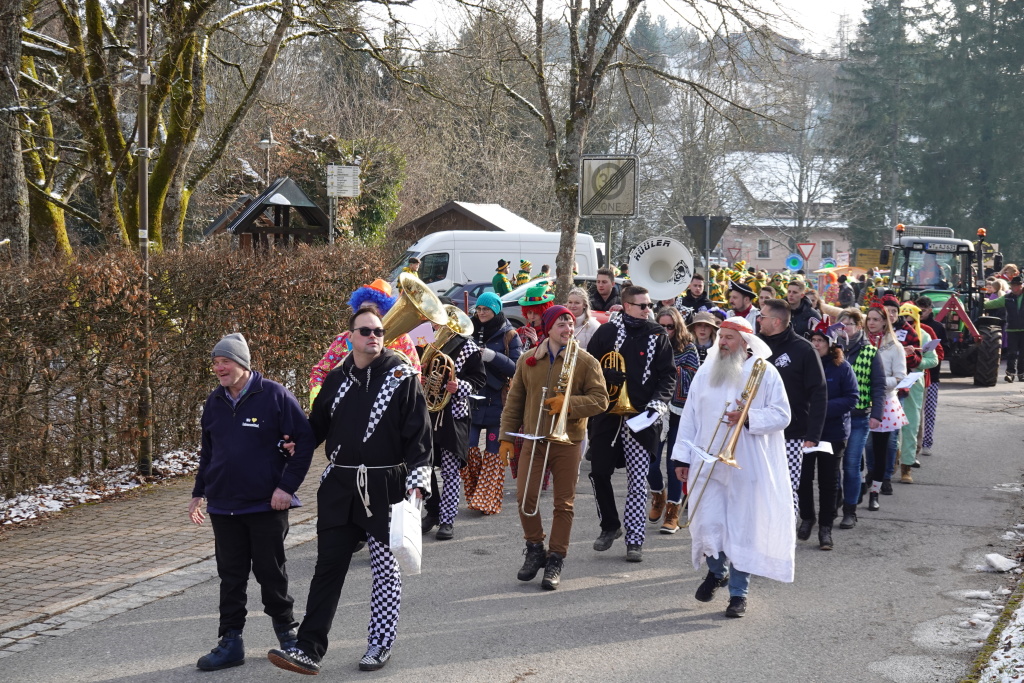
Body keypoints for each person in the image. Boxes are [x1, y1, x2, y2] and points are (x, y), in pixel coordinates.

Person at [268, 305, 432, 675]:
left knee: (386, 571)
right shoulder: (336, 379)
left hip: (387, 486)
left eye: (377, 331)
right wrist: (296, 443)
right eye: (365, 331)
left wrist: (417, 489)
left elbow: (420, 439)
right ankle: (309, 649)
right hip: (340, 486)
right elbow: (318, 425)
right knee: (328, 569)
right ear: (350, 337)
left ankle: (380, 643)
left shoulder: (403, 376)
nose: (373, 336)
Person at [191, 333, 315, 671]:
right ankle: (230, 642)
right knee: (230, 577)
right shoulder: (214, 402)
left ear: (242, 363)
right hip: (223, 507)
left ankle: (289, 636)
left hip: (265, 506)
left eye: (225, 361)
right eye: (216, 363)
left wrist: (286, 488)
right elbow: (209, 453)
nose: (219, 368)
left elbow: (304, 441)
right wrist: (198, 493)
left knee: (270, 573)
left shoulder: (274, 395)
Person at [671, 317, 794, 618]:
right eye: (721, 337)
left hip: (747, 464)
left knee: (742, 529)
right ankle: (717, 571)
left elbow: (782, 415)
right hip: (706, 459)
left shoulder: (766, 373)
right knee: (706, 522)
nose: (722, 342)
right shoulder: (706, 369)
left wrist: (748, 417)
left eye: (728, 337)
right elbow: (689, 416)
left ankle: (738, 594)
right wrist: (681, 457)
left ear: (745, 342)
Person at [498, 306, 609, 590]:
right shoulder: (527, 360)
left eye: (570, 324)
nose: (568, 329)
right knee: (525, 498)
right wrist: (505, 438)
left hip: (568, 440)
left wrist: (568, 405)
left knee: (564, 503)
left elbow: (601, 400)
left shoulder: (584, 360)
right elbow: (514, 401)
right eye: (561, 324)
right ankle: (535, 548)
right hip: (534, 439)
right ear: (548, 328)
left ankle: (557, 557)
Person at [586, 285, 675, 562]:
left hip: (641, 419)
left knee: (638, 481)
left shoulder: (657, 335)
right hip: (607, 415)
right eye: (643, 306)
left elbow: (668, 376)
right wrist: (603, 376)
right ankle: (610, 525)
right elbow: (589, 368)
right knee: (599, 472)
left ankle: (635, 539)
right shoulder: (606, 333)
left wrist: (657, 404)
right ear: (626, 306)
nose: (649, 309)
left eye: (650, 305)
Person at [421, 313, 487, 540]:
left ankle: (447, 519)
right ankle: (433, 511)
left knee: (450, 471)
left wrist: (460, 386)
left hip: (453, 416)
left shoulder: (469, 348)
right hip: (427, 414)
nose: (439, 324)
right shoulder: (426, 342)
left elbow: (479, 380)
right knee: (424, 467)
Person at [757, 298, 826, 513]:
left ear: (776, 321)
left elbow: (819, 393)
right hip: (756, 431)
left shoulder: (803, 349)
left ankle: (786, 541)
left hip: (792, 434)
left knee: (786, 489)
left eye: (762, 316)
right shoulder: (754, 346)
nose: (758, 319)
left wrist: (813, 435)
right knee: (757, 489)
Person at [459, 293, 522, 516]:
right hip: (473, 398)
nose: (481, 313)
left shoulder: (510, 334)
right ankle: (475, 495)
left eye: (486, 309)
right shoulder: (467, 330)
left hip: (498, 400)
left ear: (496, 310)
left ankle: (489, 501)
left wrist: (491, 356)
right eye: (479, 309)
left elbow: (516, 367)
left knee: (494, 453)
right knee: (469, 449)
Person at [308, 280, 421, 405]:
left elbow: (415, 374)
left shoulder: (402, 338)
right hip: (347, 405)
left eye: (372, 308)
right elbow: (320, 372)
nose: (366, 312)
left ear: (384, 310)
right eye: (362, 308)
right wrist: (317, 400)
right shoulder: (346, 338)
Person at [798, 321, 858, 550]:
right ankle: (807, 517)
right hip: (806, 432)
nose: (815, 344)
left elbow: (852, 397)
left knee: (828, 482)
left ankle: (825, 528)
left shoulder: (842, 368)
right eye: (813, 340)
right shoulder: (805, 364)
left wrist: (821, 408)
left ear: (831, 344)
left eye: (820, 341)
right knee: (803, 479)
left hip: (832, 433)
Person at [648, 307, 700, 534]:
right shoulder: (652, 344)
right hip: (657, 408)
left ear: (677, 327)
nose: (667, 330)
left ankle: (673, 511)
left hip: (680, 410)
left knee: (674, 463)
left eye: (671, 326)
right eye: (663, 326)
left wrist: (670, 369)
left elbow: (693, 379)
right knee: (650, 461)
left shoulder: (688, 348)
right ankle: (659, 496)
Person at [836, 308, 886, 529]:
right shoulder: (832, 350)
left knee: (852, 464)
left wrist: (877, 414)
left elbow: (878, 385)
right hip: (834, 417)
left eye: (848, 324)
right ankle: (835, 501)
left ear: (858, 326)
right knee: (832, 466)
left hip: (858, 417)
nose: (844, 328)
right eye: (840, 324)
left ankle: (850, 511)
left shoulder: (870, 352)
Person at [863, 305, 908, 511]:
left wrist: (877, 381)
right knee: (862, 449)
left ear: (884, 322)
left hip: (884, 401)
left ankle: (875, 491)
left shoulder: (895, 347)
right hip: (861, 402)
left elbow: (900, 377)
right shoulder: (860, 343)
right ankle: (865, 480)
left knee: (880, 450)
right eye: (868, 319)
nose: (871, 323)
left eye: (875, 319)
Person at [896, 302, 939, 482]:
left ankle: (906, 466)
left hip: (914, 383)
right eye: (903, 318)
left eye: (910, 319)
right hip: (893, 382)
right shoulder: (892, 334)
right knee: (891, 426)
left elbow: (933, 360)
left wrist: (916, 361)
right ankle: (892, 461)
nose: (907, 322)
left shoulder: (924, 334)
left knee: (911, 425)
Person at [915, 297, 945, 454]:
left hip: (931, 376)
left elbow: (942, 350)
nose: (921, 313)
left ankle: (927, 442)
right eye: (918, 310)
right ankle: (914, 444)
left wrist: (927, 353)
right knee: (915, 413)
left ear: (930, 309)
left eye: (924, 310)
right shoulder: (909, 328)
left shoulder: (936, 327)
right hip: (914, 377)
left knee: (930, 411)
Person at [984, 276, 1024, 382]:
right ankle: (1010, 373)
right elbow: (991, 304)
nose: (1013, 287)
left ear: (1020, 286)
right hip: (1012, 329)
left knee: (1023, 354)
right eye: (1012, 285)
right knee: (1012, 353)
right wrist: (978, 300)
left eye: (1015, 285)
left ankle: (1022, 373)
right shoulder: (1006, 298)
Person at [517, 282, 555, 351]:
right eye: (529, 313)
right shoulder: (521, 331)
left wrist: (535, 343)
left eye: (536, 313)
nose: (532, 317)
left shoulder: (551, 332)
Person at [566, 286, 601, 350]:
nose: (572, 306)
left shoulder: (594, 326)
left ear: (584, 305)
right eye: (570, 302)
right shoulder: (560, 323)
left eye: (577, 303)